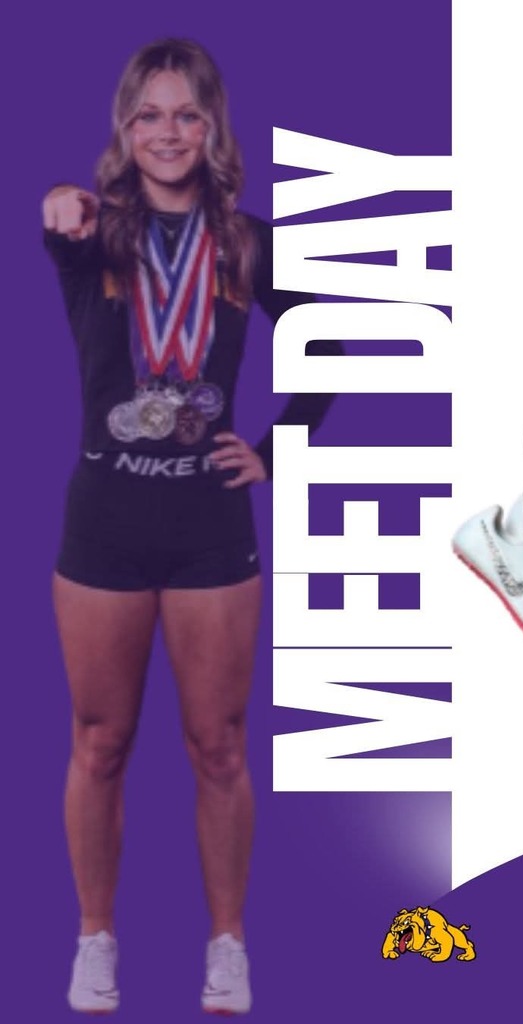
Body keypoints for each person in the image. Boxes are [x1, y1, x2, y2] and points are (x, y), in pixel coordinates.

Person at [43, 38, 336, 1014]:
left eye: (186, 114)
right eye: (148, 115)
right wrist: (57, 204)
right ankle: (95, 935)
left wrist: (278, 448)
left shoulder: (249, 243)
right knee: (98, 743)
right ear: (125, 131)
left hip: (212, 529)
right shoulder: (93, 232)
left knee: (219, 747)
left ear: (212, 128)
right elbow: (57, 214)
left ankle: (227, 942)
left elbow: (329, 343)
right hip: (106, 526)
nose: (167, 133)